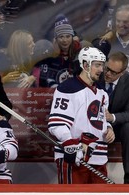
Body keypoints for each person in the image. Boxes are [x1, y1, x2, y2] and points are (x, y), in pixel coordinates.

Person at [48, 47, 115, 184]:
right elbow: (57, 124)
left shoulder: (102, 92)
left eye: (102, 65)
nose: (101, 70)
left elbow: (99, 119)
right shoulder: (68, 88)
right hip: (74, 158)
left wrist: (109, 129)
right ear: (85, 65)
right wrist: (70, 144)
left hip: (99, 157)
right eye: (97, 65)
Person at [99, 51, 129, 184]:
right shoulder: (96, 74)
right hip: (94, 122)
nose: (108, 73)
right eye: (107, 68)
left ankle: (128, 176)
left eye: (113, 72)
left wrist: (111, 118)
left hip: (115, 124)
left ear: (122, 73)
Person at [36, 14, 81, 88]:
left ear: (73, 37)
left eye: (68, 36)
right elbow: (44, 82)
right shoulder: (50, 56)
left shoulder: (80, 54)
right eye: (61, 37)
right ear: (55, 39)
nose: (65, 40)